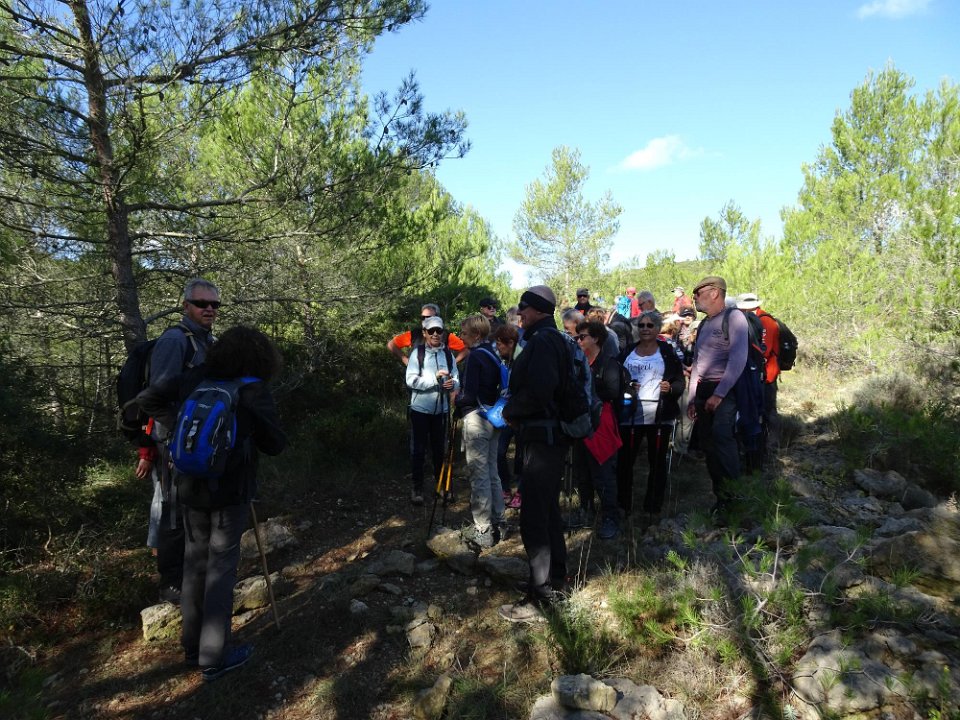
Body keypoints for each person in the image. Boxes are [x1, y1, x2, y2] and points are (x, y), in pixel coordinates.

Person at [137, 326, 287, 682]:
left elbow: (147, 399)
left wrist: (178, 428)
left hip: (189, 485)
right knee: (220, 570)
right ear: (260, 358)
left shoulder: (195, 378)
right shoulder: (252, 390)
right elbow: (276, 444)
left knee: (194, 565)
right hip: (230, 493)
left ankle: (192, 649)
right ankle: (214, 658)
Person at [144, 277, 220, 605]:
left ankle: (195, 573)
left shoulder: (208, 341)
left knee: (194, 506)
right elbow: (153, 398)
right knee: (172, 509)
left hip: (198, 443)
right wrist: (179, 432)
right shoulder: (174, 341)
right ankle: (171, 582)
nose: (209, 309)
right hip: (173, 443)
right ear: (186, 306)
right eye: (202, 304)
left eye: (214, 304)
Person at [499, 285, 570, 623]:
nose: (520, 314)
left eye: (523, 308)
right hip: (549, 438)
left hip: (543, 440)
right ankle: (555, 580)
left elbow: (541, 391)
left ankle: (541, 597)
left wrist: (511, 410)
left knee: (534, 518)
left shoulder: (542, 341)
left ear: (538, 310)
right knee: (548, 512)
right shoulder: (553, 339)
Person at [687, 276, 747, 514]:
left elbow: (738, 359)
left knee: (723, 442)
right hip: (704, 391)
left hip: (724, 391)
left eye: (698, 293)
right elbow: (697, 362)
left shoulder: (734, 318)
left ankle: (735, 501)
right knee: (708, 446)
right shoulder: (704, 324)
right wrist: (692, 398)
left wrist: (719, 394)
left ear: (714, 293)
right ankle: (721, 499)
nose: (694, 298)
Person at [617, 310, 685, 517]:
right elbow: (615, 378)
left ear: (657, 328)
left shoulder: (667, 352)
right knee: (625, 462)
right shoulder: (628, 351)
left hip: (659, 415)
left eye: (650, 325)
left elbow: (679, 382)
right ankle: (623, 506)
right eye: (641, 325)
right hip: (629, 414)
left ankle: (653, 508)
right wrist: (626, 386)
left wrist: (670, 388)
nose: (645, 329)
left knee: (657, 462)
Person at [456, 315, 507, 549]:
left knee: (479, 474)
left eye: (464, 333)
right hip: (493, 417)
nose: (461, 337)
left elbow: (469, 394)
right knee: (492, 471)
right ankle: (500, 521)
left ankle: (483, 528)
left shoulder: (475, 356)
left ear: (476, 334)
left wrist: (455, 399)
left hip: (476, 419)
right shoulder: (493, 354)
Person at [573, 320, 622, 539]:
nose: (578, 341)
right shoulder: (578, 363)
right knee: (582, 471)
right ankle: (586, 511)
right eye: (577, 337)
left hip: (602, 423)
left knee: (603, 473)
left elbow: (612, 392)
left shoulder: (609, 364)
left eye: (582, 337)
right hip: (581, 422)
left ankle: (610, 517)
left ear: (596, 338)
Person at [405, 315, 460, 505]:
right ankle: (417, 488)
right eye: (431, 331)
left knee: (440, 450)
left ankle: (441, 486)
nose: (435, 334)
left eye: (439, 330)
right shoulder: (417, 354)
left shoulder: (448, 355)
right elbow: (411, 380)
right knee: (418, 450)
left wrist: (453, 384)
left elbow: (456, 377)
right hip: (420, 409)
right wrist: (434, 380)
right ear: (424, 333)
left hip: (442, 411)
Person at [737, 292, 781, 453]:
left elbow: (764, 350)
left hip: (767, 373)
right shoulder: (752, 319)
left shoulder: (765, 321)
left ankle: (769, 445)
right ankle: (756, 446)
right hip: (757, 372)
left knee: (767, 410)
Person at [492, 324, 522, 509]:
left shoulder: (522, 359)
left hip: (520, 414)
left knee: (522, 454)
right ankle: (505, 487)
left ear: (510, 343)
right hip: (506, 412)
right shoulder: (506, 360)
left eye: (499, 344)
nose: (497, 348)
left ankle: (521, 491)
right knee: (499, 451)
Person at [388, 303, 468, 366]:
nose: (425, 320)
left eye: (429, 317)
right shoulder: (414, 334)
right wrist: (405, 359)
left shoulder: (445, 335)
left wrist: (452, 364)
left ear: (437, 317)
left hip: (440, 378)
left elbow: (466, 349)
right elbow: (391, 344)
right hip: (416, 378)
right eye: (423, 317)